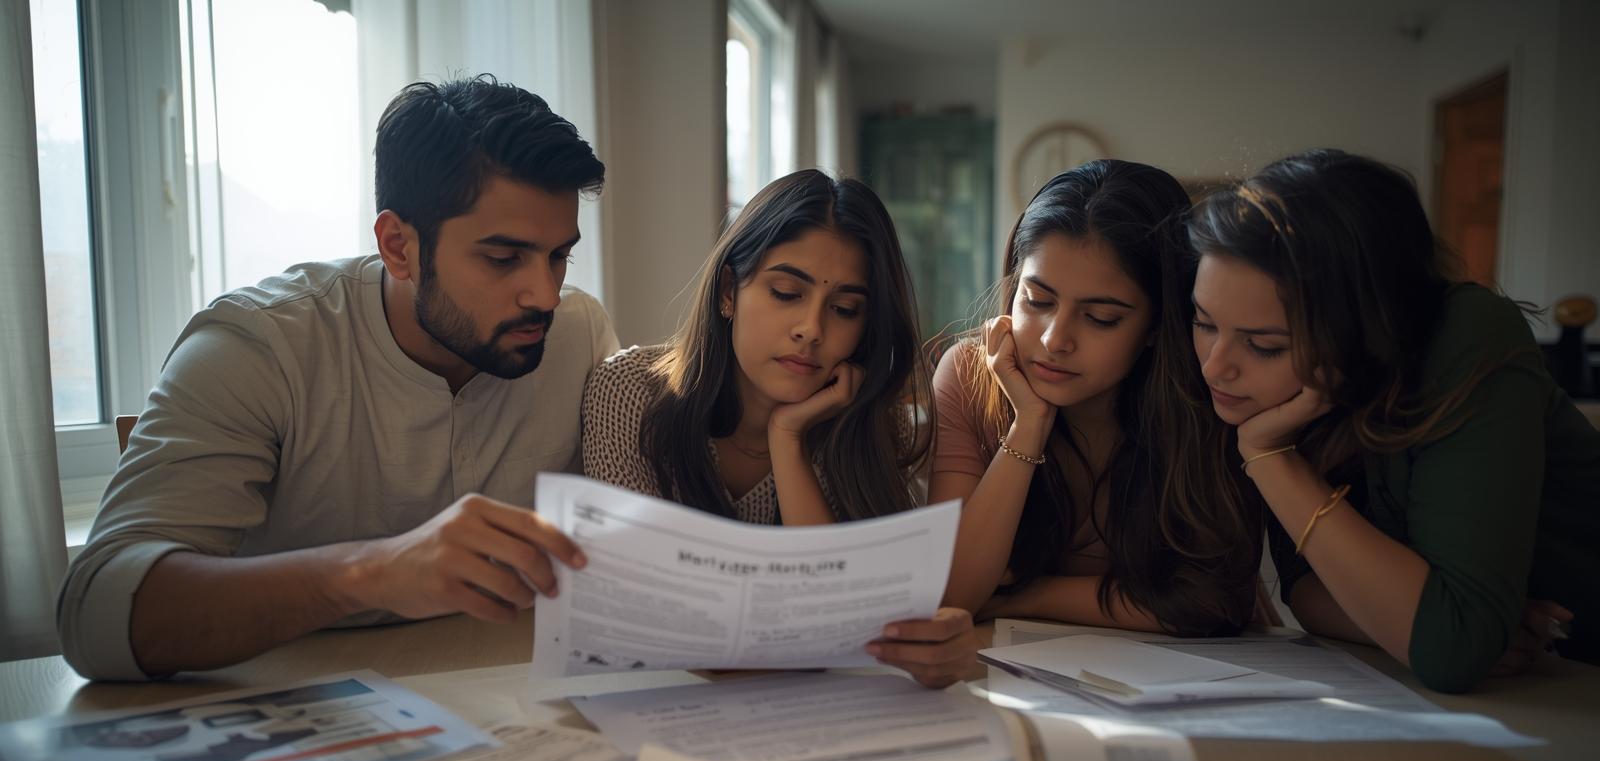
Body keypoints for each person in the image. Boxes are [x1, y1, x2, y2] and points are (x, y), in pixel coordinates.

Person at [58, 75, 617, 681]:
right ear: (397, 246)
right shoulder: (259, 347)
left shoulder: (578, 334)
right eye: (504, 259)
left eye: (559, 255)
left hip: (507, 700)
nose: (546, 294)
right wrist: (372, 572)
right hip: (292, 708)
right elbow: (94, 615)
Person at [1188, 148, 1599, 693]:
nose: (1215, 367)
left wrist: (1268, 456)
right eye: (1204, 322)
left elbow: (1449, 649)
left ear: (1365, 328)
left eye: (1264, 345)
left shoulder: (1467, 334)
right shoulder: (1289, 396)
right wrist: (1431, 623)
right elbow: (1308, 593)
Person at [581, 169, 976, 687]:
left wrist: (788, 439)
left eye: (844, 309)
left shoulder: (869, 427)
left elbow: (847, 614)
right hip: (656, 703)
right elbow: (645, 614)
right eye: (787, 293)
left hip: (812, 713)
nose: (811, 329)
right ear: (729, 291)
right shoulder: (628, 393)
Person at [930, 160, 1262, 634]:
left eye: (1101, 318)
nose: (1054, 340)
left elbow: (1212, 599)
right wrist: (1028, 426)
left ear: (1156, 326)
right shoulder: (970, 374)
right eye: (1037, 301)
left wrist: (1026, 596)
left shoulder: (1202, 396)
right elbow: (951, 598)